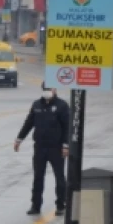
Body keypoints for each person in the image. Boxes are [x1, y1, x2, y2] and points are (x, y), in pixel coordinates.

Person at [14, 83, 70, 216]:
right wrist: (19, 139)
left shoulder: (62, 106)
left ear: (55, 90)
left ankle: (61, 205)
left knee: (59, 177)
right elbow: (28, 123)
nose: (47, 91)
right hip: (40, 147)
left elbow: (67, 127)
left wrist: (66, 145)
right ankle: (36, 205)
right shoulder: (37, 105)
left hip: (56, 148)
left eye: (50, 89)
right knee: (38, 177)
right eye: (45, 89)